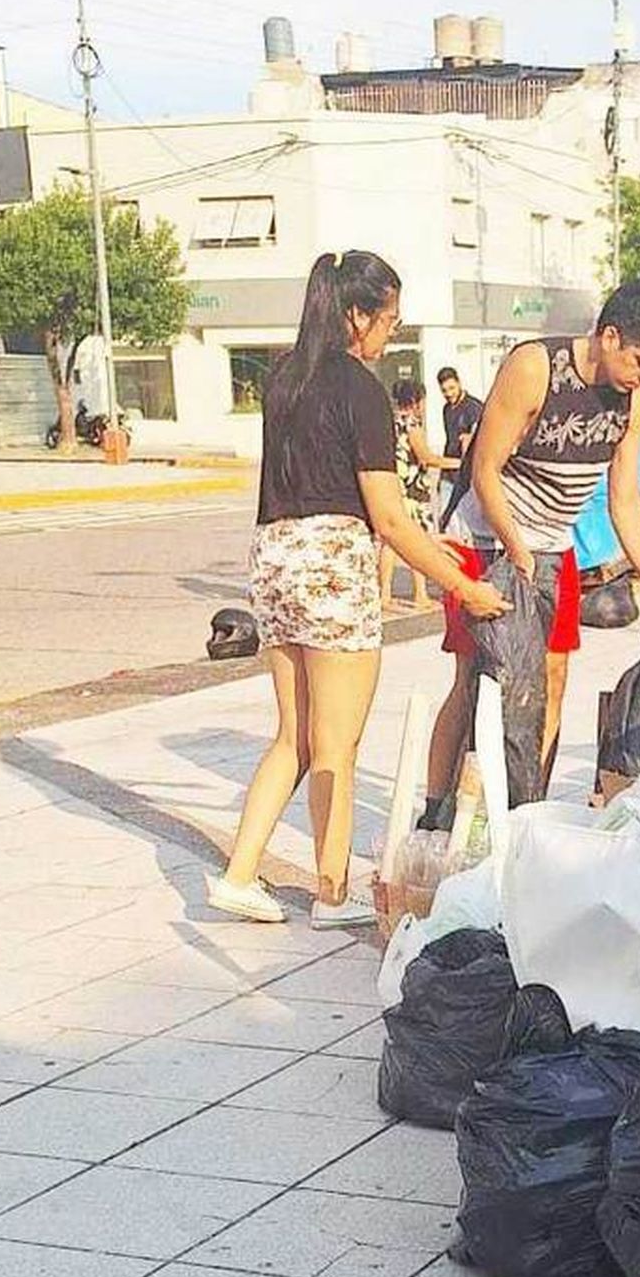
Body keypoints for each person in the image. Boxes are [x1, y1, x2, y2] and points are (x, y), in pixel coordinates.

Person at [208, 251, 508, 929]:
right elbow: (391, 516)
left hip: (275, 559)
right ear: (355, 313)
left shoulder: (283, 378)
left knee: (295, 736)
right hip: (334, 564)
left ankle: (238, 874)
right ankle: (332, 893)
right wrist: (463, 584)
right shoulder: (361, 390)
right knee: (338, 745)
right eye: (387, 320)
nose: (389, 335)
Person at [423, 280, 640, 820]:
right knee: (479, 680)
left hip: (553, 544)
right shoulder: (535, 368)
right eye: (639, 361)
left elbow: (624, 500)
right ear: (609, 336)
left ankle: (528, 808)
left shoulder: (636, 399)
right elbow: (485, 470)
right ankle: (439, 806)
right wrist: (516, 550)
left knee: (550, 679)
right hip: (486, 541)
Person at [378, 379, 449, 613]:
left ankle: (384, 594)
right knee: (418, 541)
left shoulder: (388, 422)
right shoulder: (412, 424)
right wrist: (458, 462)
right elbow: (426, 457)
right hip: (413, 491)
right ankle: (421, 594)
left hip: (394, 488)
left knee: (389, 545)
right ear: (416, 400)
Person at [438, 366, 484, 462]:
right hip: (451, 466)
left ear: (459, 383)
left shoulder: (473, 407)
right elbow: (449, 441)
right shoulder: (446, 409)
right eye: (444, 390)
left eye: (452, 388)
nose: (449, 394)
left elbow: (480, 440)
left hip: (467, 466)